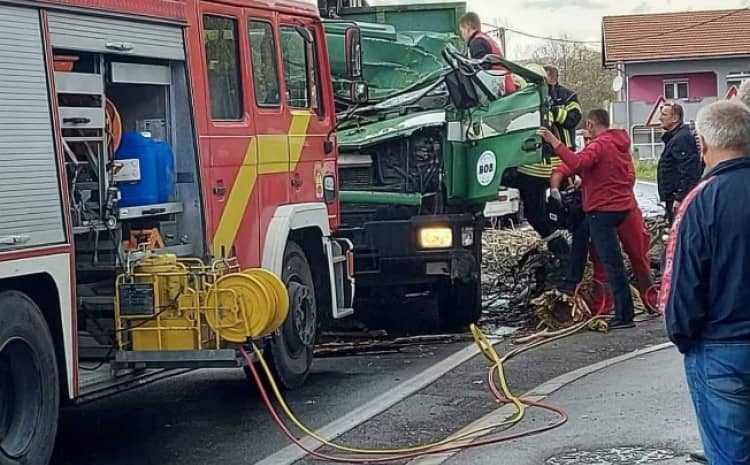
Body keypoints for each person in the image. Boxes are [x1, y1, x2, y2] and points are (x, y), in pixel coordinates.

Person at [661, 100, 750, 465]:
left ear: (703, 144)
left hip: (721, 347)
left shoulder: (702, 200)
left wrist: (683, 335)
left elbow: (683, 281)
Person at [539, 109, 636, 329]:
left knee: (613, 264)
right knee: (581, 238)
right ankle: (571, 282)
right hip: (619, 207)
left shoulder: (600, 145)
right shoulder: (619, 144)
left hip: (602, 210)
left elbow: (576, 162)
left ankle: (624, 314)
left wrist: (553, 140)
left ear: (591, 124)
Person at [551, 131, 656, 315]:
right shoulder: (611, 150)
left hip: (614, 211)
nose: (588, 143)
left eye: (589, 139)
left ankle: (644, 303)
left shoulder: (605, 150)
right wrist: (557, 187)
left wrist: (592, 183)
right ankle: (607, 307)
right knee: (607, 260)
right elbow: (563, 169)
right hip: (622, 210)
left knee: (626, 259)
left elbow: (576, 164)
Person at [515, 66, 581, 260]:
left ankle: (574, 248)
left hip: (559, 162)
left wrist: (554, 113)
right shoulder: (523, 97)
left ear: (551, 79)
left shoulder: (567, 96)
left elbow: (574, 118)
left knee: (567, 209)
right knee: (535, 213)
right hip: (532, 164)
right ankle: (560, 248)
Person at [657, 102, 702, 224]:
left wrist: (680, 197)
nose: (660, 118)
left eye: (664, 114)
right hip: (672, 197)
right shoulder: (674, 138)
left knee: (679, 231)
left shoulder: (682, 139)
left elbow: (688, 170)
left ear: (675, 118)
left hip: (677, 198)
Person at [458, 12, 516, 94]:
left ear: (467, 28)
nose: (462, 35)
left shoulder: (477, 42)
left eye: (462, 31)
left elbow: (480, 71)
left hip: (500, 89)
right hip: (506, 84)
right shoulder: (485, 38)